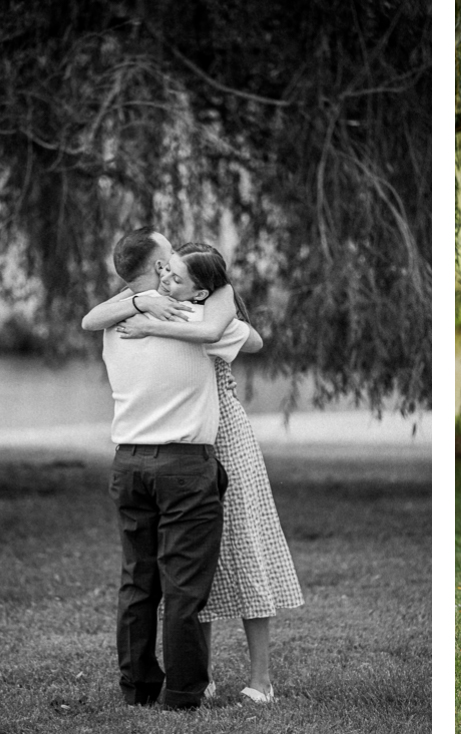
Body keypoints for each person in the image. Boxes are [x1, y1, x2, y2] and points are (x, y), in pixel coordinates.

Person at [90, 241, 304, 703]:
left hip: (190, 444)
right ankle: (192, 682)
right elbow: (242, 335)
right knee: (186, 573)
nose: (169, 276)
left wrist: (160, 314)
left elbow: (249, 339)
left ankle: (251, 679)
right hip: (188, 447)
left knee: (231, 555)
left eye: (179, 274)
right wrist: (165, 308)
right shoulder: (177, 317)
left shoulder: (140, 321)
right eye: (165, 267)